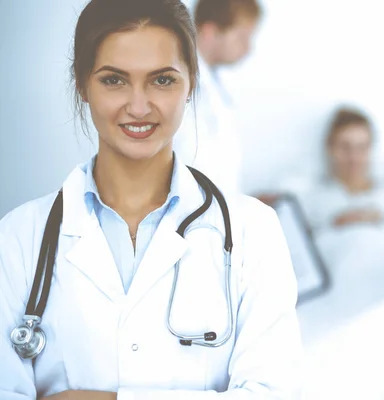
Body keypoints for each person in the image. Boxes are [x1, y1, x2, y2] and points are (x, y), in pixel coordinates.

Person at [0, 0, 302, 399]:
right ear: (82, 84)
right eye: (114, 80)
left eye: (162, 80)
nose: (139, 106)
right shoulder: (20, 237)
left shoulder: (255, 231)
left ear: (191, 82)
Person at [173, 0, 261, 194]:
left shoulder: (212, 85)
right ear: (211, 32)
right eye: (241, 37)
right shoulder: (179, 82)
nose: (248, 48)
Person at [299, 107, 384, 231]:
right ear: (330, 148)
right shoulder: (313, 201)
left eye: (361, 147)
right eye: (345, 147)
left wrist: (381, 218)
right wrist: (335, 224)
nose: (354, 157)